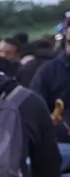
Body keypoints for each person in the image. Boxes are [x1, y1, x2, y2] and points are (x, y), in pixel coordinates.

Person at [28, 26, 70, 165]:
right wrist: (53, 123)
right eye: (69, 42)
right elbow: (33, 110)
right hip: (61, 143)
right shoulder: (48, 71)